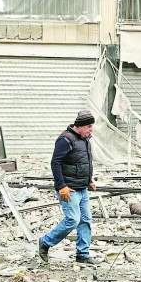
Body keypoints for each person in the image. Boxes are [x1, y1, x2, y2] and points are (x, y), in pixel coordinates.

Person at [38, 110, 101, 265]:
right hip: (69, 189)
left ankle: (82, 254)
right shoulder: (66, 139)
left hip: (82, 188)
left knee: (85, 220)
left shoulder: (85, 139)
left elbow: (83, 162)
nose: (91, 129)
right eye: (88, 126)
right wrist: (61, 186)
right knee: (72, 220)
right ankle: (45, 242)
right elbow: (56, 163)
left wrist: (88, 180)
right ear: (79, 126)